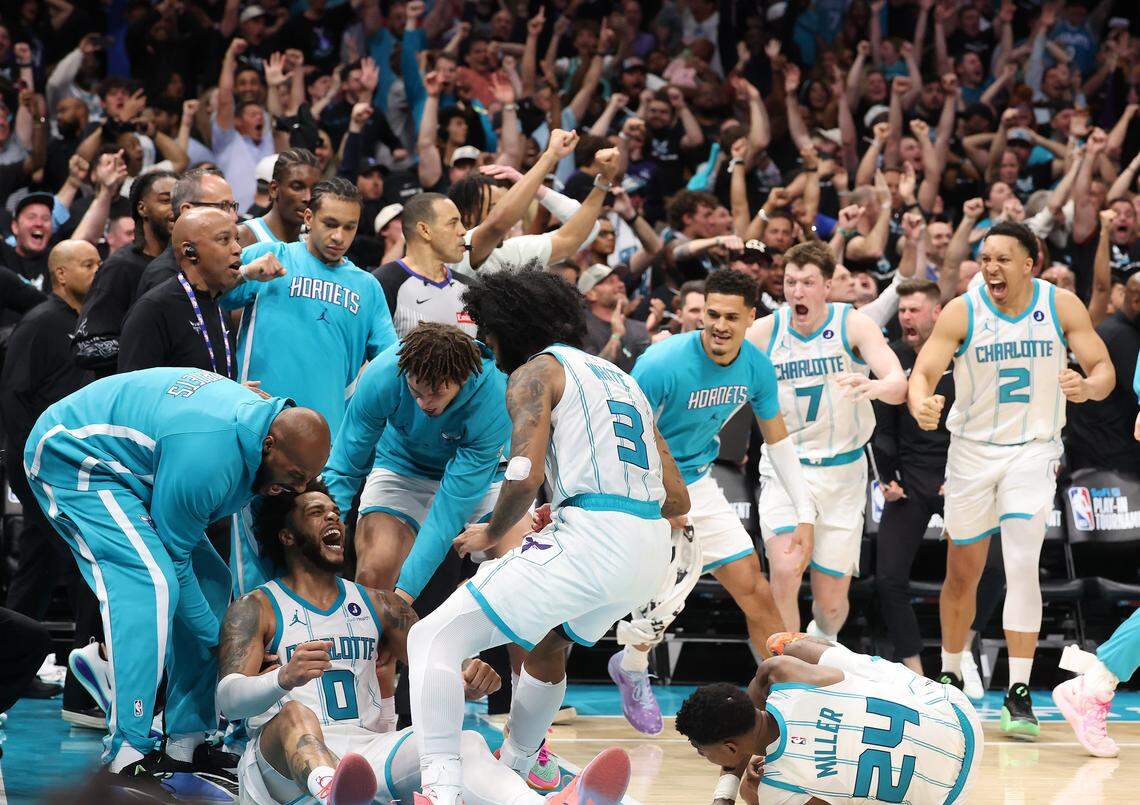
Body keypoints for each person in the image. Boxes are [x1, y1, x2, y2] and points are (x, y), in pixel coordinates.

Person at [407, 270, 690, 803]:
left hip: (593, 541)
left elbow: (522, 473)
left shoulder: (536, 372)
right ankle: (519, 766)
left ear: (506, 326)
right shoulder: (620, 377)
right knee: (548, 643)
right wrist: (581, 500)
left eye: (488, 335)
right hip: (649, 551)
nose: (488, 350)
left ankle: (440, 787)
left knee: (433, 639)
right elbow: (677, 497)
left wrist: (491, 532)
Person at [217, 480, 631, 805]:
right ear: (287, 536)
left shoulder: (379, 605)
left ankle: (547, 803)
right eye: (316, 513)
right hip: (281, 773)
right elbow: (227, 700)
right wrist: (281, 680)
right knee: (293, 716)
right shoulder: (257, 607)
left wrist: (464, 673)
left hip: (364, 757)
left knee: (462, 743)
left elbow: (435, 653)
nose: (333, 520)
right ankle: (331, 792)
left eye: (335, 512)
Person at [22, 368, 330, 788]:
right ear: (270, 445)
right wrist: (222, 647)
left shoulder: (263, 436)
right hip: (73, 454)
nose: (299, 486)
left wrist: (242, 635)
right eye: (295, 476)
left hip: (135, 469)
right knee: (151, 582)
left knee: (215, 585)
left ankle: (186, 739)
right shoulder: (209, 459)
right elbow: (176, 558)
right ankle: (126, 748)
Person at [908, 221, 1115, 740]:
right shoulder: (963, 309)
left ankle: (1019, 690)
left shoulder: (1061, 305)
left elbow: (1104, 368)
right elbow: (924, 371)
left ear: (1030, 263)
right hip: (972, 453)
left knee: (1023, 563)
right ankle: (951, 672)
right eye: (985, 257)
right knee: (962, 572)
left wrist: (1087, 387)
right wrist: (921, 402)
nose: (991, 267)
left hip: (1033, 448)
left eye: (1003, 258)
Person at [607, 269, 809, 736]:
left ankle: (788, 699)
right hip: (640, 483)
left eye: (730, 317)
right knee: (655, 600)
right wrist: (664, 494)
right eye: (711, 314)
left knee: (755, 590)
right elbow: (622, 437)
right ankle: (632, 665)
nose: (719, 325)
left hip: (697, 482)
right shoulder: (661, 363)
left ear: (750, 318)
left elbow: (778, 443)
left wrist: (805, 513)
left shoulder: (756, 366)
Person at [222, 177, 397, 596]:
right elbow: (202, 292)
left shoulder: (367, 287)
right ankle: (256, 658)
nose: (339, 237)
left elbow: (391, 363)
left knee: (313, 560)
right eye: (330, 223)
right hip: (257, 436)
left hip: (326, 452)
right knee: (252, 559)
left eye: (350, 227)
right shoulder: (269, 256)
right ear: (308, 217)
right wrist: (245, 272)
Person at [746, 240, 907, 642]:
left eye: (808, 283)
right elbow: (714, 361)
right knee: (784, 568)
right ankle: (789, 671)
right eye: (790, 282)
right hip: (787, 468)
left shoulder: (853, 324)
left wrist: (873, 386)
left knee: (832, 604)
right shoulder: (766, 332)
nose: (797, 292)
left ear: (828, 286)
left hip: (842, 471)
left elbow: (898, 384)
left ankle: (823, 636)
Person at [674, 633, 982, 804]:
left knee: (753, 791)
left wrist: (731, 795)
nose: (701, 754)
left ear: (730, 748)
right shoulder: (784, 675)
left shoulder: (775, 790)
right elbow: (765, 674)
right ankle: (827, 644)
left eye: (701, 749)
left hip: (948, 793)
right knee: (790, 649)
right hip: (958, 713)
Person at [322, 323, 513, 598]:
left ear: (462, 379)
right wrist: (325, 534)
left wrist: (405, 594)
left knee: (522, 575)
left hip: (485, 476)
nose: (424, 403)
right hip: (402, 467)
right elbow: (344, 467)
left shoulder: (494, 395)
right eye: (416, 392)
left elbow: (448, 512)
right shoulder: (383, 374)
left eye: (436, 393)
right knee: (375, 571)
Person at [0, 239, 101, 722]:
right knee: (81, 568)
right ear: (60, 274)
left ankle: (17, 665)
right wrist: (25, 471)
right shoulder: (41, 322)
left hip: (65, 467)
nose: (97, 270)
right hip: (39, 467)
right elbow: (15, 398)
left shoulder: (84, 324)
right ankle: (83, 687)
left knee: (38, 568)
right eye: (87, 264)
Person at [870, 280, 965, 679]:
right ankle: (916, 669)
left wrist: (960, 475)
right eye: (902, 310)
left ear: (937, 313)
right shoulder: (891, 358)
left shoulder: (964, 358)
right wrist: (887, 479)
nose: (906, 316)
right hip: (910, 480)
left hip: (957, 476)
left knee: (991, 568)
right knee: (887, 578)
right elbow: (882, 429)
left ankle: (962, 653)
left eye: (914, 310)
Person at [118, 208, 284, 374]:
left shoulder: (216, 306)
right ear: (190, 251)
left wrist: (233, 392)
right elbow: (136, 392)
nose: (238, 249)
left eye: (236, 239)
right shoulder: (153, 310)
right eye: (224, 240)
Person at [71, 170, 176, 378]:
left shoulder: (188, 265)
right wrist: (149, 345)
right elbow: (86, 346)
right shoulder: (120, 268)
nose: (175, 209)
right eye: (165, 200)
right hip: (131, 396)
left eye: (180, 202)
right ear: (142, 208)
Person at [134, 168, 241, 297]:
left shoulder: (212, 274)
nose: (234, 217)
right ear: (188, 211)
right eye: (224, 206)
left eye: (233, 206)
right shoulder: (163, 277)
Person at [237, 147, 322, 246]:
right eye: (297, 187)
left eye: (314, 190)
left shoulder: (312, 246)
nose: (308, 198)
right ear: (274, 189)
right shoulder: (243, 237)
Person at [579, 264, 651, 372]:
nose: (621, 284)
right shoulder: (581, 330)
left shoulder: (640, 327)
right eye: (611, 282)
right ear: (591, 294)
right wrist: (615, 337)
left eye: (620, 280)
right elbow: (593, 374)